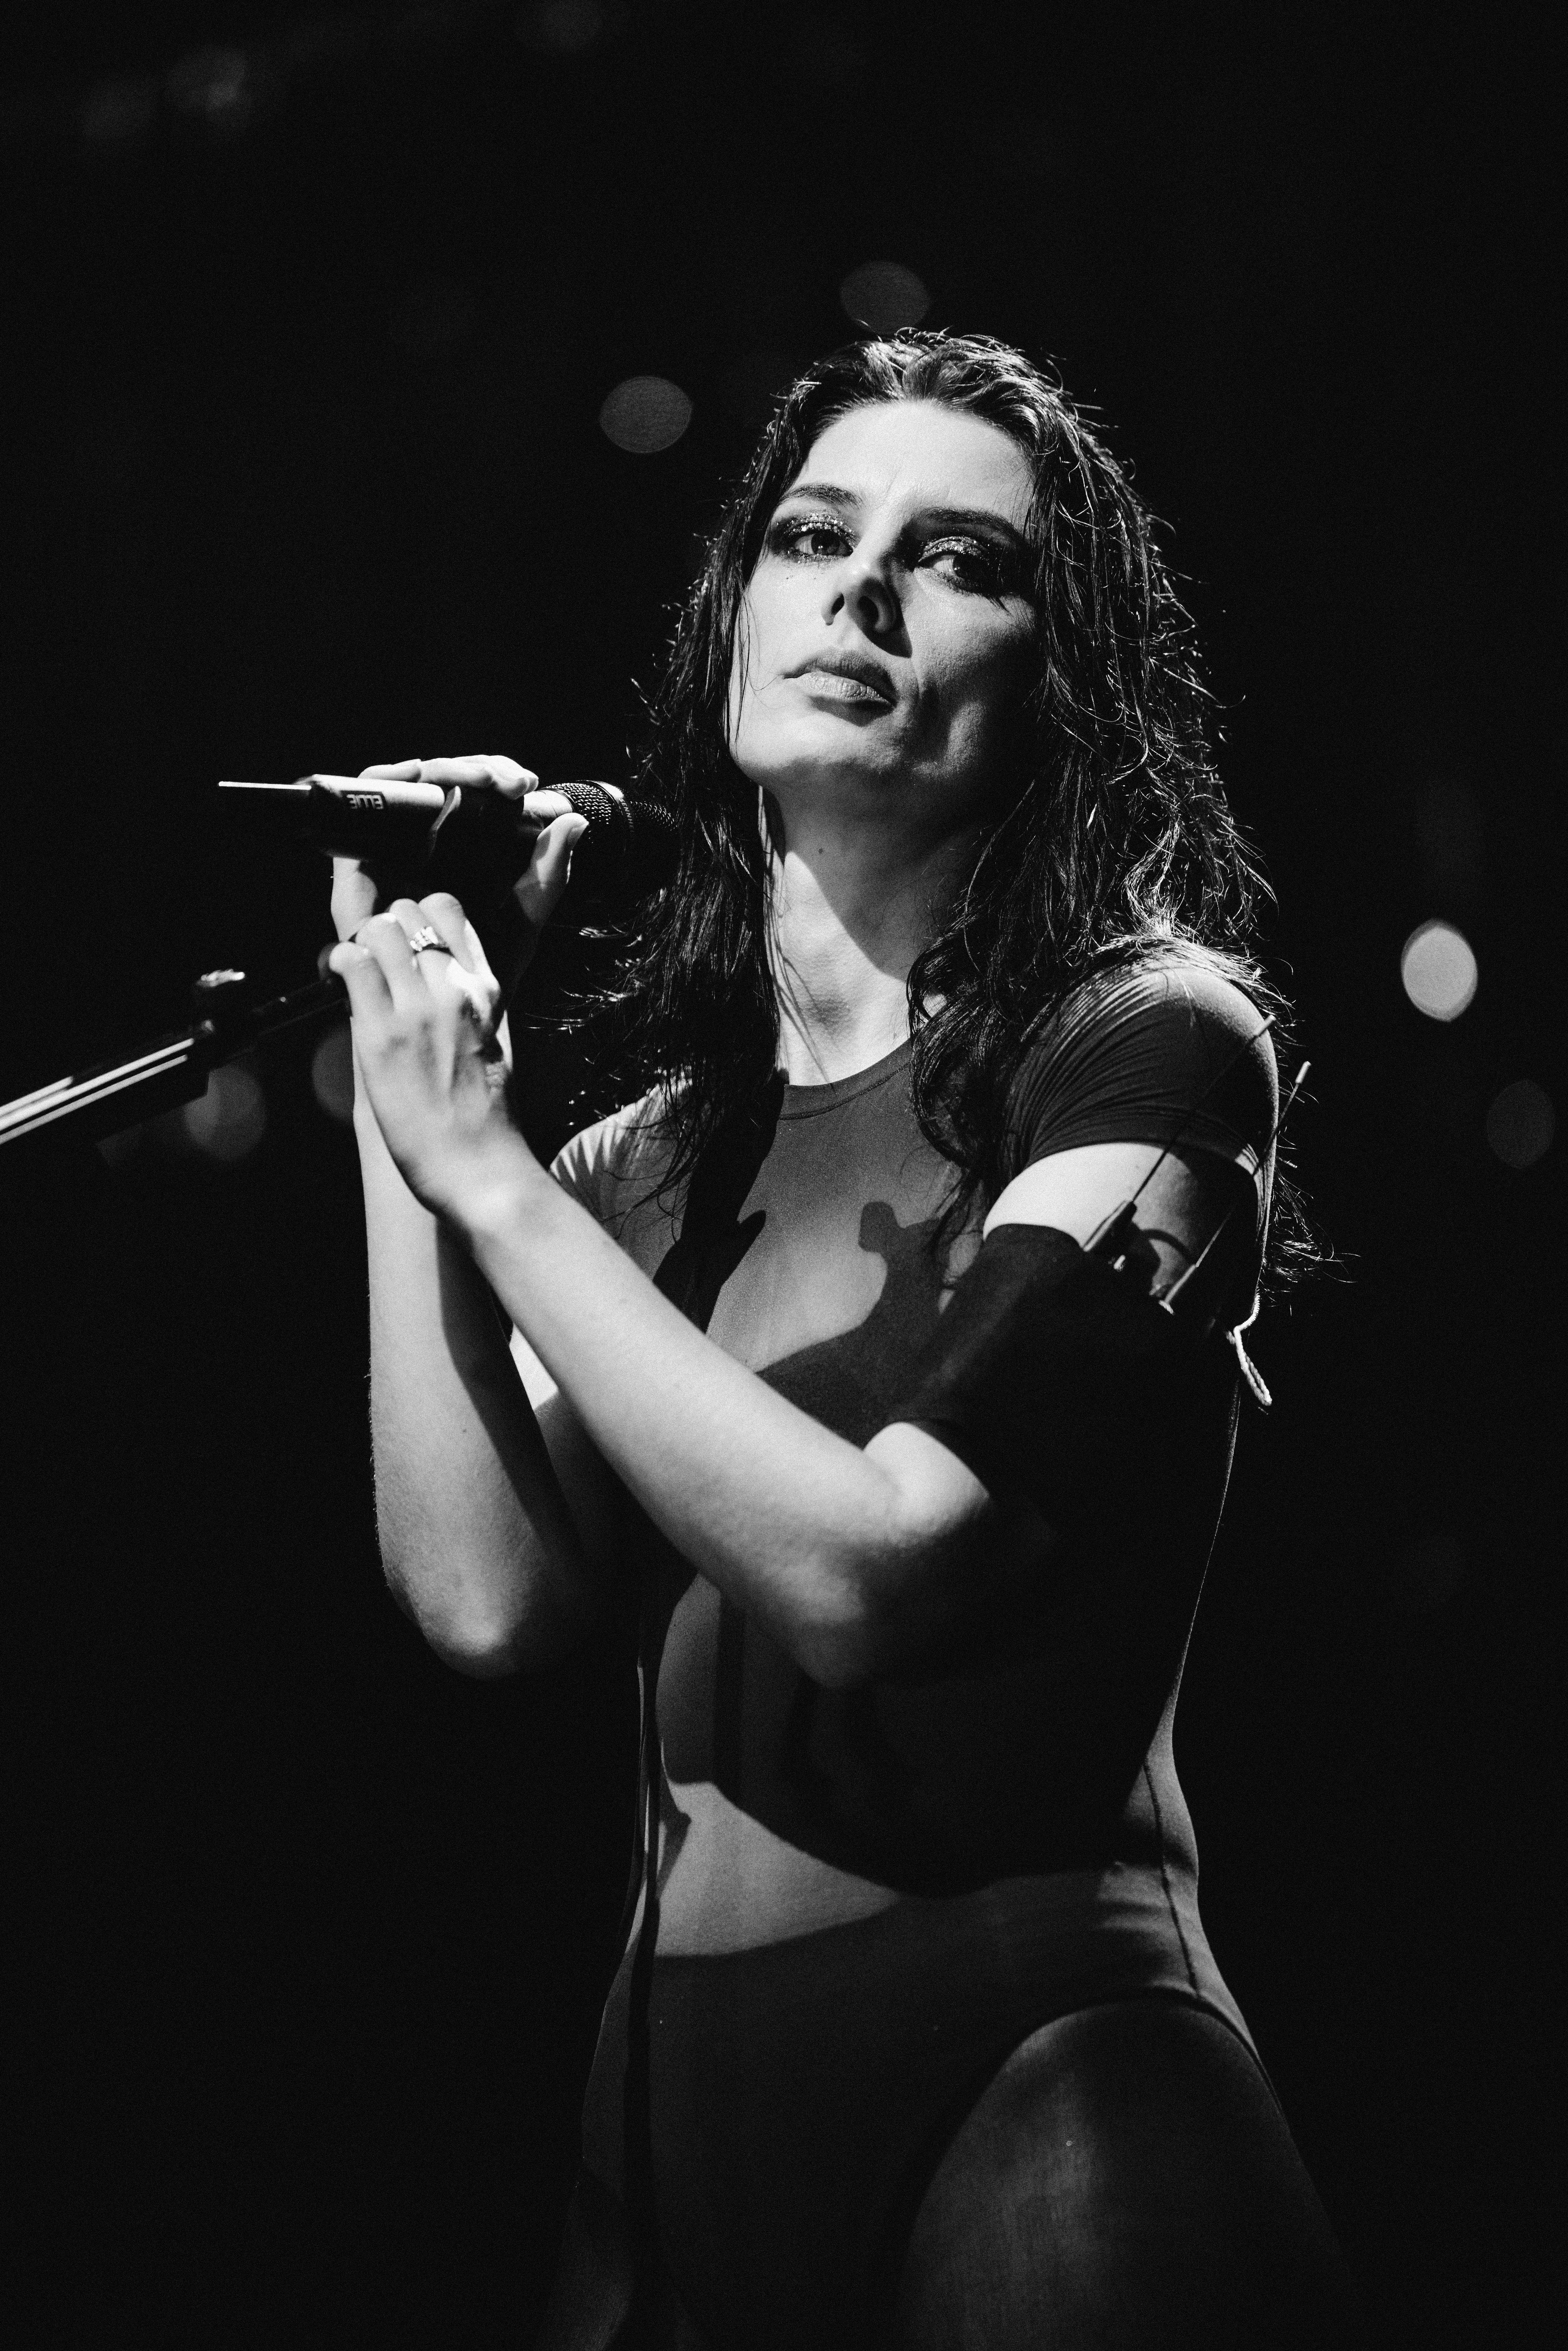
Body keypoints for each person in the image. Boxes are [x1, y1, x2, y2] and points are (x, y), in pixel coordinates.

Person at [328, 333, 1364, 2348]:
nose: (864, 591)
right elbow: (482, 1600)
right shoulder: (648, 1160)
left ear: (1064, 693)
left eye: (960, 558)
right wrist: (411, 1120)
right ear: (735, 624)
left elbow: (875, 1568)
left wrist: (493, 1174)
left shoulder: (1147, 1050)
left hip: (1038, 2076)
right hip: (662, 2129)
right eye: (814, 535)